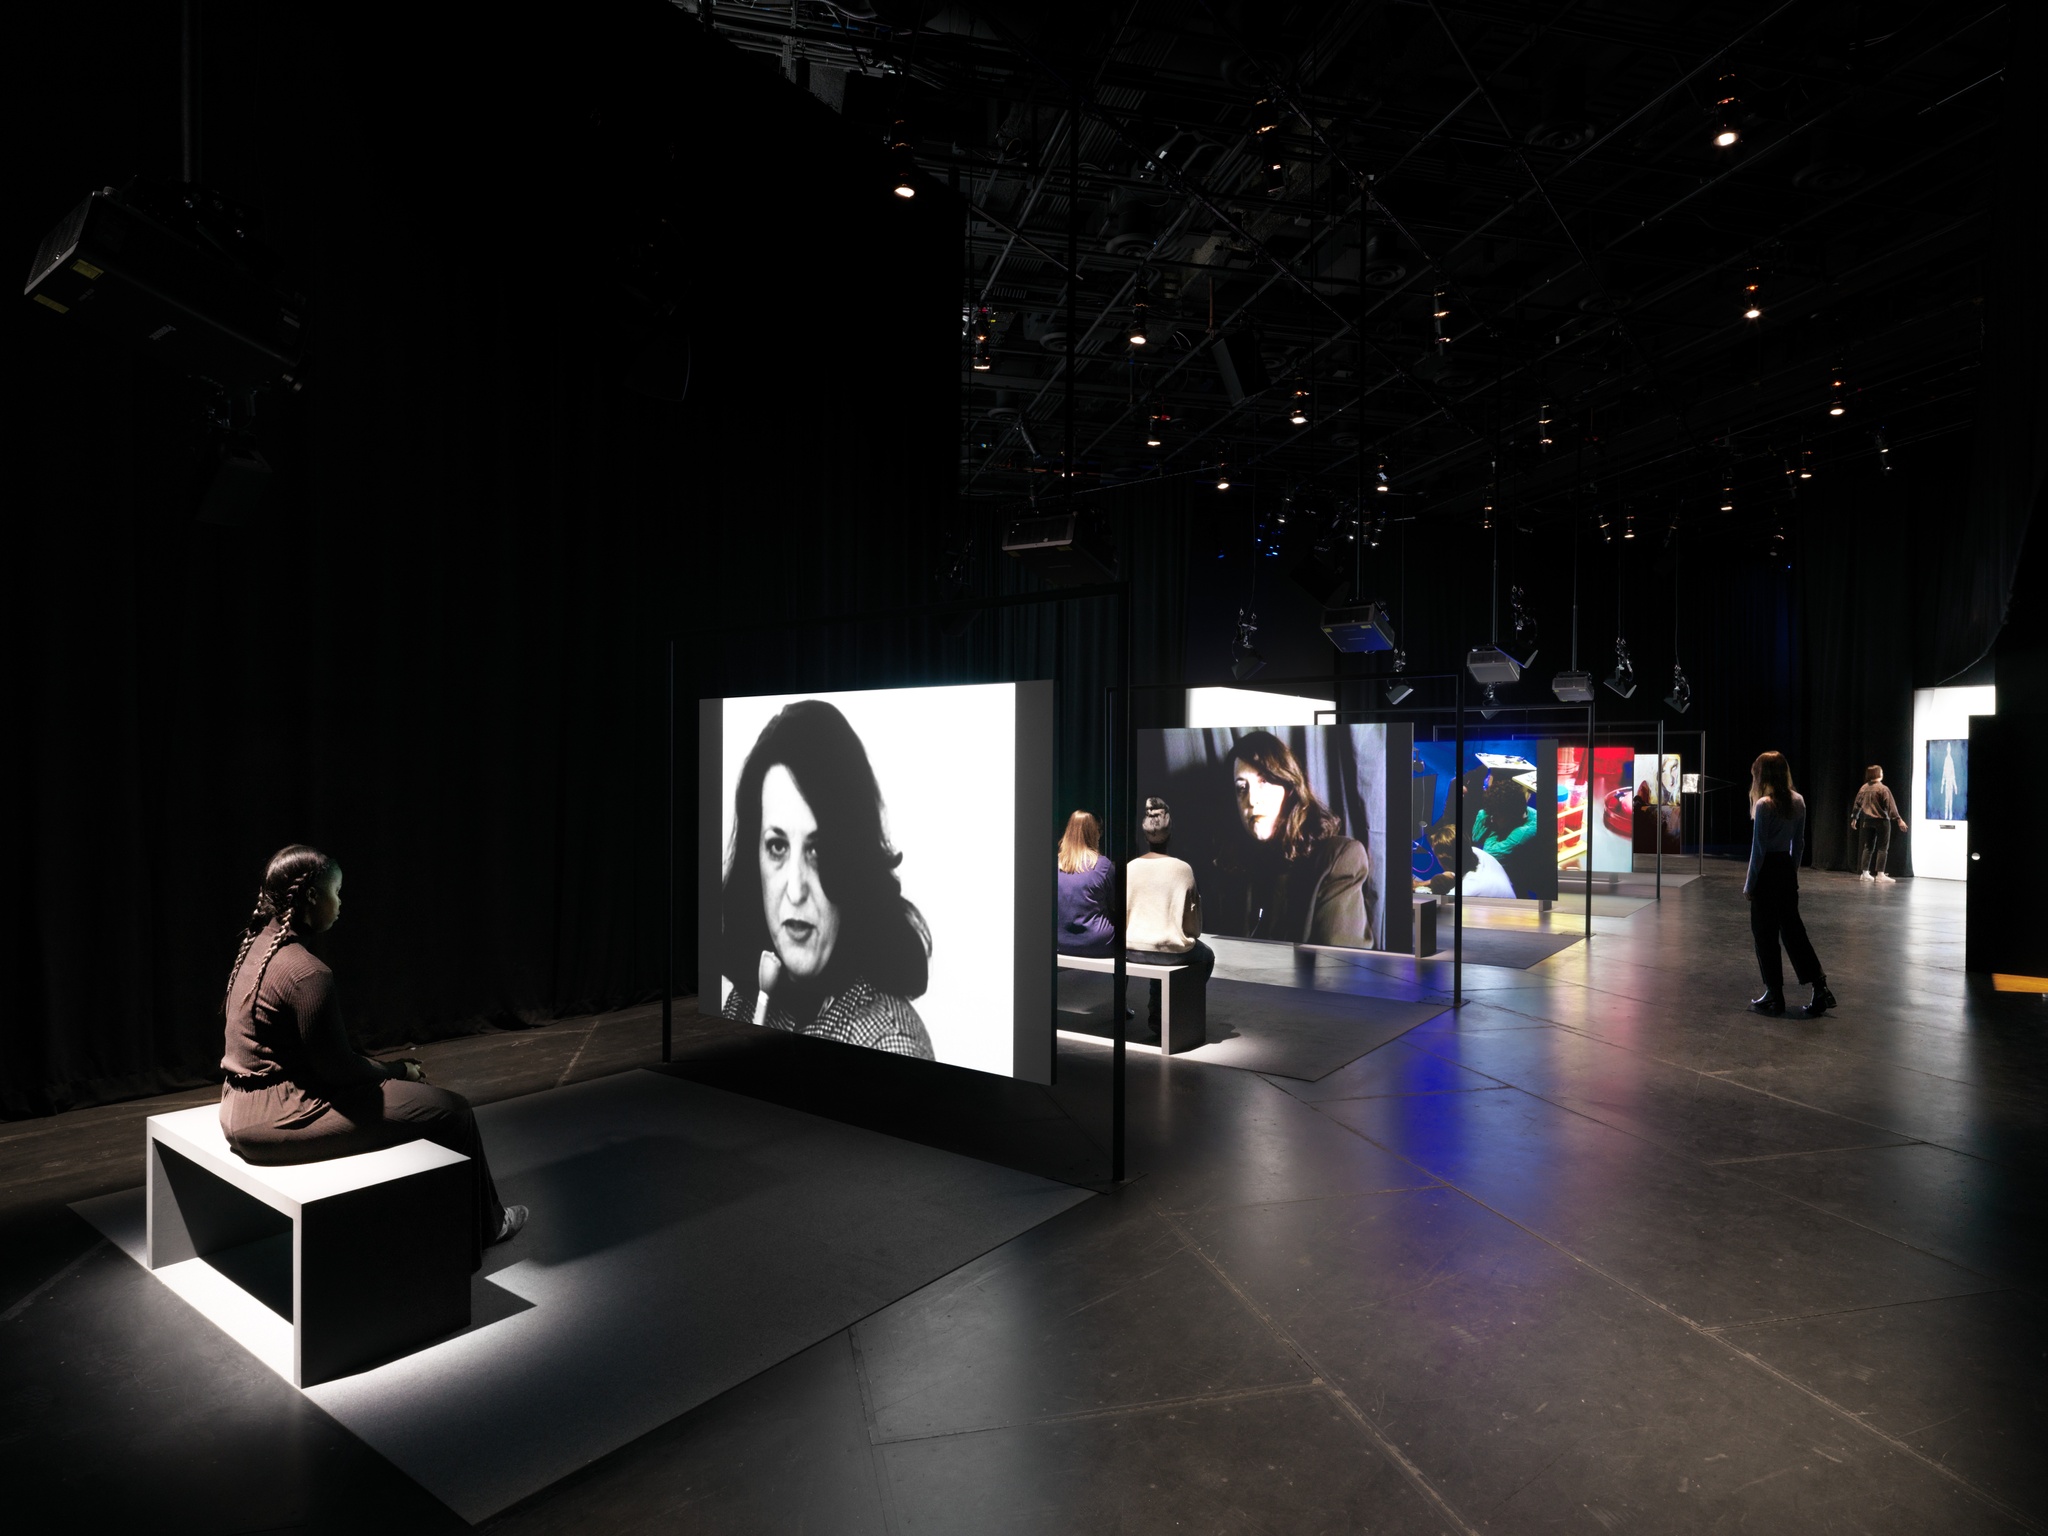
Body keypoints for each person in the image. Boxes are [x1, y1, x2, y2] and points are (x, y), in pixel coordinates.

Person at [218, 845, 524, 1270]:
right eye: (337, 892)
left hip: (236, 1106)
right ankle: (487, 1227)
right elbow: (339, 1071)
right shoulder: (307, 972)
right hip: (276, 1118)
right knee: (454, 1112)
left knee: (399, 1095)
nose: (341, 903)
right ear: (310, 898)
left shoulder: (257, 947)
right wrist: (400, 1070)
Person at [720, 699, 935, 1058]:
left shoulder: (891, 1043)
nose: (795, 889)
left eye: (817, 850)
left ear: (852, 860)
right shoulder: (746, 1003)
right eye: (776, 846)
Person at [1226, 730, 1371, 947]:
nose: (1252, 800)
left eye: (1264, 781)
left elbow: (1339, 971)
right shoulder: (1233, 869)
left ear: (1289, 788)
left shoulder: (1338, 860)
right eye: (1241, 788)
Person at [1744, 752, 1835, 1018]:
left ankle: (1774, 994)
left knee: (1765, 934)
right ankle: (1820, 987)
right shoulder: (1799, 801)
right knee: (1794, 932)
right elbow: (1800, 843)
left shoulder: (1763, 804)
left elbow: (1758, 850)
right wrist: (1791, 873)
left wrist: (1750, 885)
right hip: (1784, 869)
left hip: (1767, 872)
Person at [1125, 798, 1214, 1037]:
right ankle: (1169, 1013)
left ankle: (1156, 1014)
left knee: (1160, 948)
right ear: (1170, 832)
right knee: (1205, 956)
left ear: (1144, 835)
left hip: (1131, 949)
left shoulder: (1130, 867)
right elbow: (1194, 927)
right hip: (1169, 952)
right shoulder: (1182, 869)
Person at [1056, 810, 1118, 957]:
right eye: (1098, 830)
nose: (1100, 835)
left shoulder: (1055, 864)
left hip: (1060, 942)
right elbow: (1116, 903)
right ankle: (1120, 980)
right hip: (1098, 943)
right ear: (1091, 832)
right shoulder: (1103, 865)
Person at [1850, 765, 1907, 882]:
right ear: (1878, 774)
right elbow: (1891, 806)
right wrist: (1899, 819)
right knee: (1882, 847)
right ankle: (1880, 874)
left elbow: (1857, 804)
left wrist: (1855, 817)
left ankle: (1864, 873)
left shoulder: (1863, 788)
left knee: (1868, 847)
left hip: (1867, 821)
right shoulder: (1883, 789)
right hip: (1881, 821)